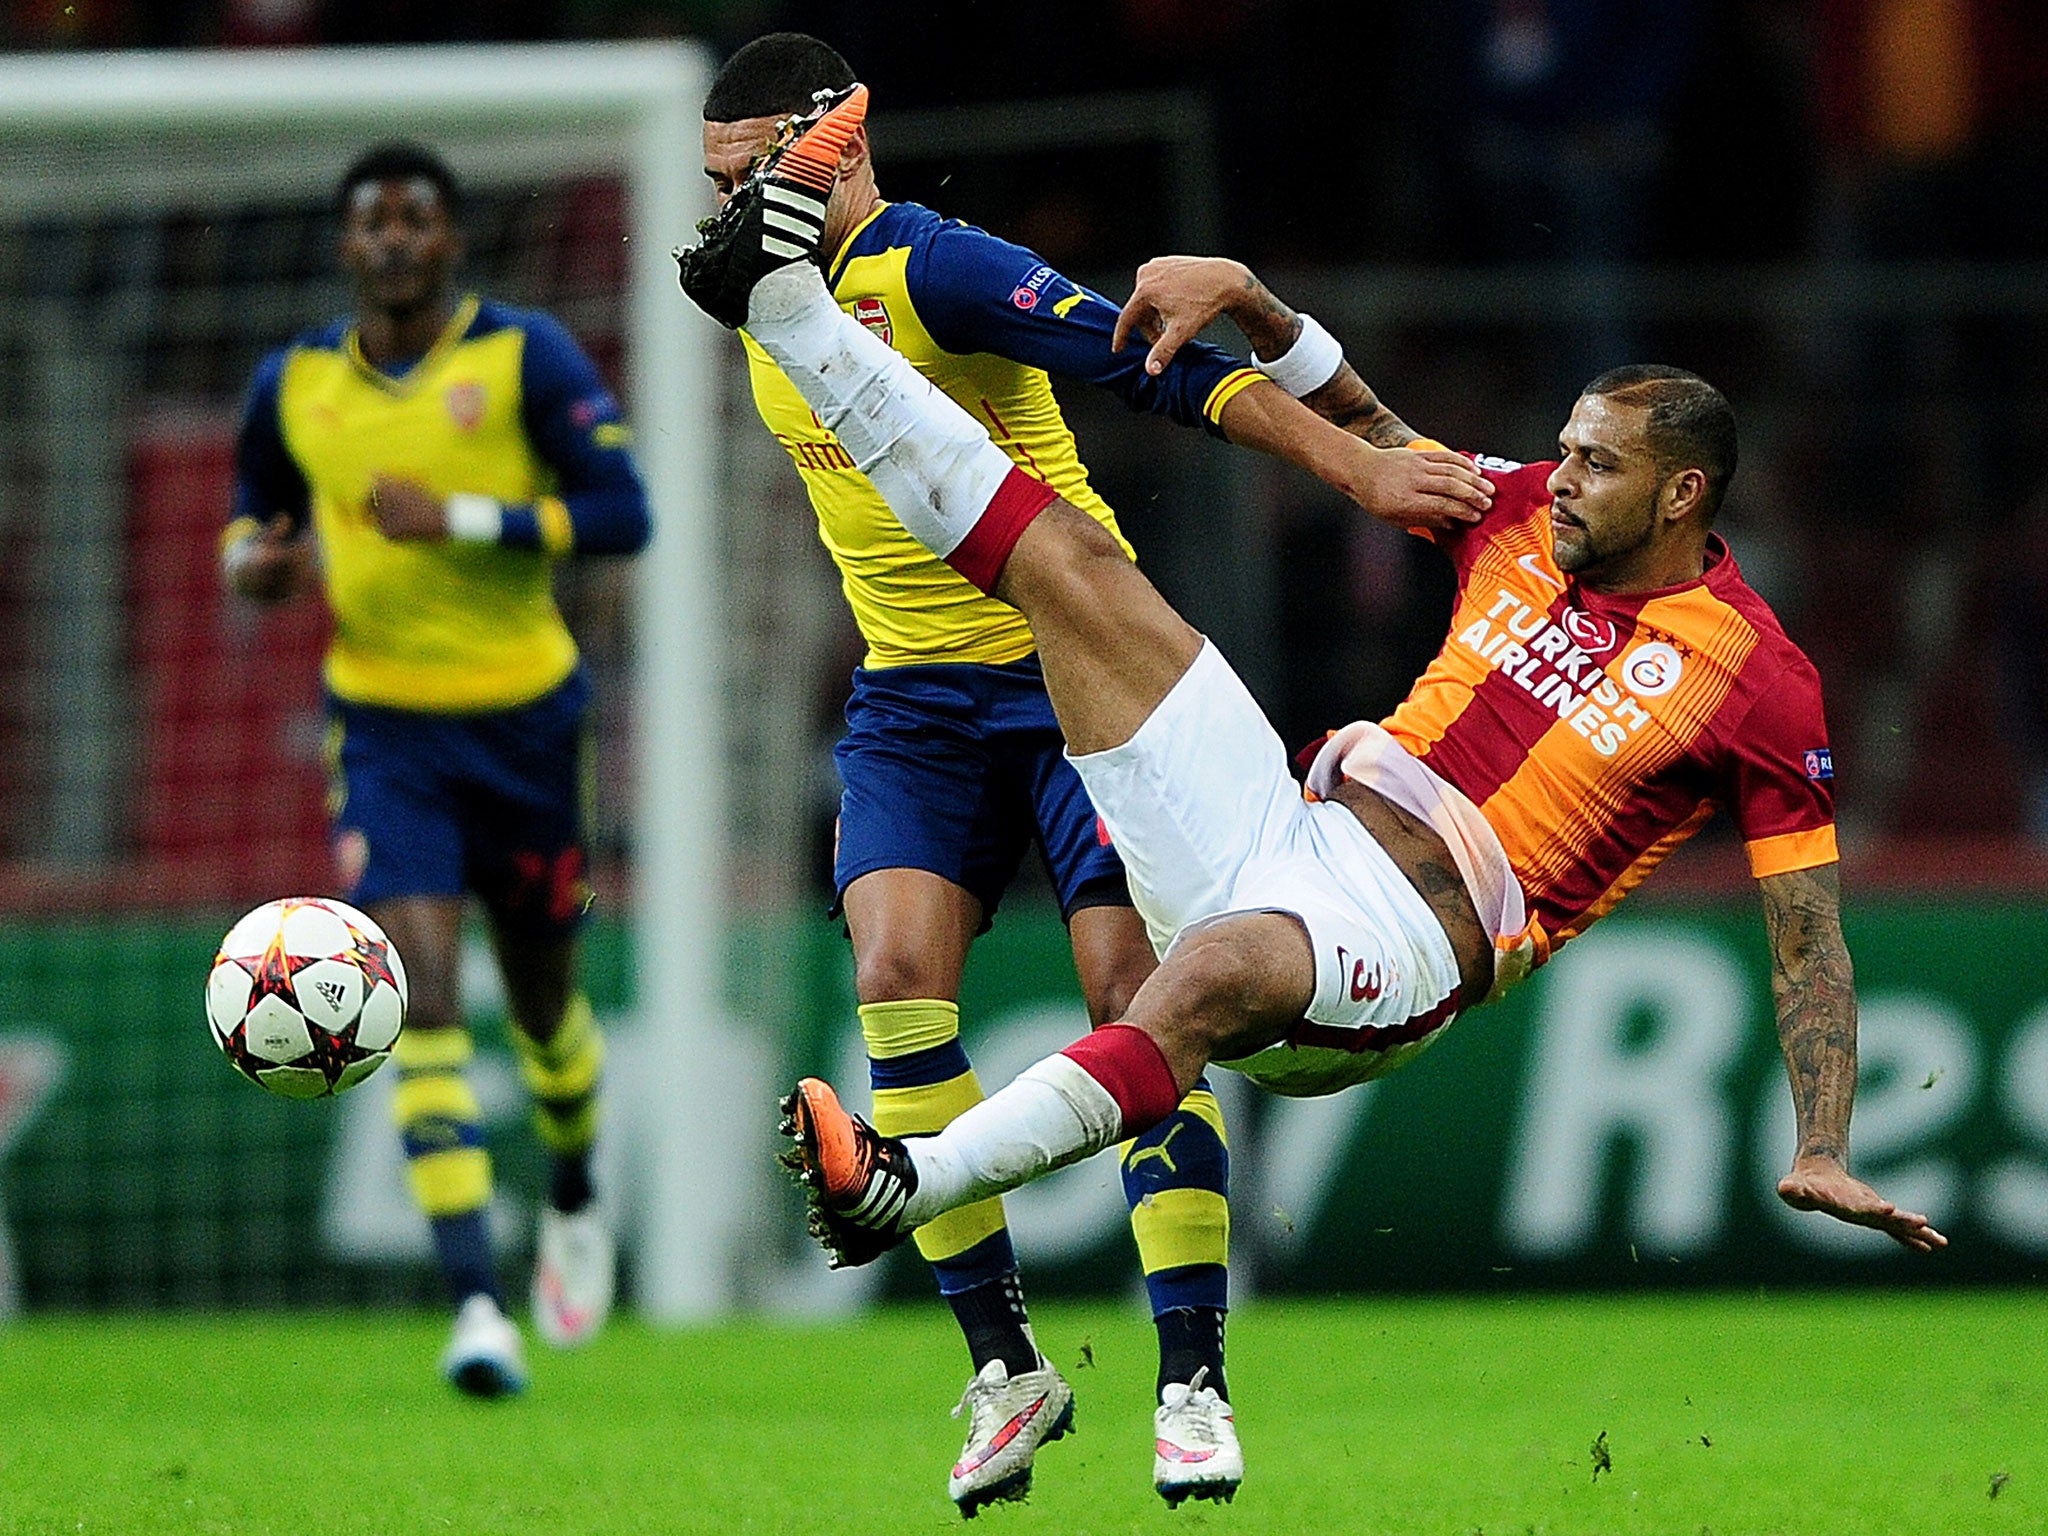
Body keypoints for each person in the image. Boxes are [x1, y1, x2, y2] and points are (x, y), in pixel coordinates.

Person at [674, 96, 1945, 1342]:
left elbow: (1806, 943)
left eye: (1593, 465)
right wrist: (1250, 298)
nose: (1556, 476)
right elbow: (1370, 428)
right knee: (1066, 562)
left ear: (1681, 495)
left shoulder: (1756, 681)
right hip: (1290, 822)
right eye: (1560, 447)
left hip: (1403, 949)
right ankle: (795, 320)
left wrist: (1822, 1145)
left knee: (1196, 980)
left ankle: (916, 1185)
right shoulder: (1513, 516)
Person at [697, 35, 1448, 1515]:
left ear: (832, 145)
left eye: (748, 180)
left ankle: (1191, 1387)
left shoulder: (941, 270)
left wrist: (1355, 467)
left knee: (1136, 1004)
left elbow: (1161, 369)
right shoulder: (755, 301)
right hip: (910, 696)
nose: (727, 215)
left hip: (1066, 682)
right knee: (895, 990)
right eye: (712, 187)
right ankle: (1004, 1370)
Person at [224, 143, 652, 1397]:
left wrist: (466, 520)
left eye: (417, 217)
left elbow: (624, 512)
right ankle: (475, 1303)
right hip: (386, 730)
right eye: (373, 221)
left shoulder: (524, 358)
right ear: (347, 246)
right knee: (419, 995)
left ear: (452, 240)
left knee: (541, 1016)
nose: (396, 237)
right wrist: (251, 563)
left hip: (525, 724)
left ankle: (573, 1189)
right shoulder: (293, 384)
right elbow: (254, 524)